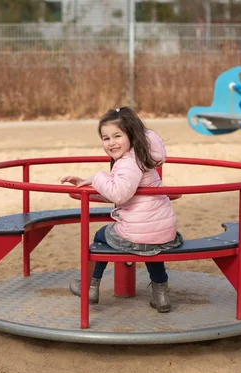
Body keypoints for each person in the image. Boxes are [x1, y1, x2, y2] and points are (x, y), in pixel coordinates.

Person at [60, 106, 182, 313]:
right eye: (106, 138)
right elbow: (122, 187)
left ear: (132, 136)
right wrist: (88, 181)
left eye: (117, 136)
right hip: (164, 233)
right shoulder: (143, 157)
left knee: (100, 237)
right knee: (152, 246)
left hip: (136, 235)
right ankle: (161, 295)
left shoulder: (128, 162)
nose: (111, 142)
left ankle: (89, 286)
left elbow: (119, 194)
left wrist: (98, 177)